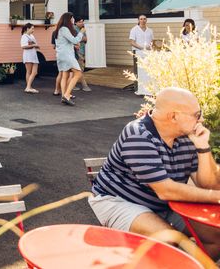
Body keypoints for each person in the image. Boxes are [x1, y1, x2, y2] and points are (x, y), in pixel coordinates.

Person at [89, 87, 220, 260]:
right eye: (197, 114)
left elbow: (209, 185)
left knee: (215, 237)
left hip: (163, 204)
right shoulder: (138, 134)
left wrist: (203, 147)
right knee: (170, 240)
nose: (201, 119)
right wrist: (216, 196)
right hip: (118, 201)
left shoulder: (187, 136)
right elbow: (166, 190)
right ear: (173, 116)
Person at [53, 12, 83, 106]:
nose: (73, 20)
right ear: (68, 19)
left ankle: (64, 95)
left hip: (60, 55)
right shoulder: (65, 29)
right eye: (72, 18)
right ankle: (66, 95)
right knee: (78, 73)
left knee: (65, 75)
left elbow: (68, 42)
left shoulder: (59, 29)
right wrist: (81, 32)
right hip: (67, 55)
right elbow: (75, 40)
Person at [129, 15, 154, 92]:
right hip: (137, 51)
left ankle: (146, 88)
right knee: (138, 70)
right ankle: (137, 88)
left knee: (147, 70)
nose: (143, 20)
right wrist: (141, 48)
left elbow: (152, 41)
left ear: (146, 20)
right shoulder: (134, 30)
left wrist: (150, 47)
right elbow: (132, 42)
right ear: (138, 20)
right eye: (141, 19)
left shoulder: (150, 30)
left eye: (144, 19)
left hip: (148, 52)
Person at [72, 17, 92, 92]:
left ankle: (72, 85)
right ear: (76, 22)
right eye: (80, 22)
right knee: (79, 68)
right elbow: (77, 39)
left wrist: (82, 38)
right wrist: (82, 38)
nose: (82, 23)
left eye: (82, 21)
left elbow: (85, 39)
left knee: (79, 69)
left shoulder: (82, 29)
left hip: (82, 50)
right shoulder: (74, 29)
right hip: (77, 51)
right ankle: (85, 85)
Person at [19, 23, 39, 94]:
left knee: (33, 72)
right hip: (28, 55)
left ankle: (28, 87)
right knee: (29, 71)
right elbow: (23, 46)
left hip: (33, 54)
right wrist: (34, 45)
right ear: (27, 28)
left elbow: (34, 44)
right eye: (32, 28)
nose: (33, 30)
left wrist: (36, 46)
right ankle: (28, 87)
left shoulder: (32, 36)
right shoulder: (24, 36)